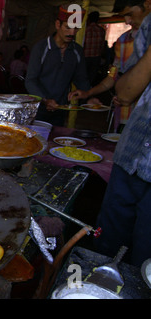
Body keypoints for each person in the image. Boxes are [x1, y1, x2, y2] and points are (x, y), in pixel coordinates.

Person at [94, 2, 151, 266]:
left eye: (131, 13)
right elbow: (125, 91)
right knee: (108, 245)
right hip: (130, 156)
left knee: (144, 260)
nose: (128, 20)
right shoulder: (144, 32)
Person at [69, 0, 150, 131]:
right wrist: (88, 93)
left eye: (130, 14)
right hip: (126, 116)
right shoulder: (123, 41)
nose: (127, 21)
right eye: (125, 16)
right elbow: (113, 76)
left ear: (148, 5)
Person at [25, 5, 91, 126]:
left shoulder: (77, 51)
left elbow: (81, 79)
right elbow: (30, 80)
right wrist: (45, 100)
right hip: (38, 109)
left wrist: (90, 97)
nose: (72, 33)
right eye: (68, 27)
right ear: (57, 24)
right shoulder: (41, 48)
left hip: (61, 109)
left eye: (76, 28)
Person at [83, 11, 106, 85]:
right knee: (91, 77)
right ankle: (88, 91)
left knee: (82, 76)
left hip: (85, 57)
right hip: (96, 57)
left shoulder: (85, 30)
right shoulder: (101, 30)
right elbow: (102, 45)